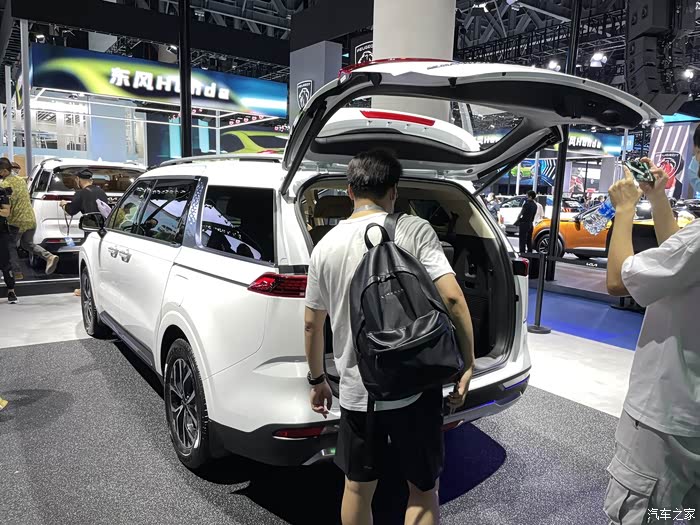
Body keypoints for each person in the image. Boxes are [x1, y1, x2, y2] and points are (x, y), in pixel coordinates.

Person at [303, 150, 475, 525]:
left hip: (359, 391)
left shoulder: (325, 247)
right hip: (416, 384)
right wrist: (467, 363)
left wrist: (317, 380)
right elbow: (452, 298)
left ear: (350, 191)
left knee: (357, 488)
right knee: (423, 489)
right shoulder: (415, 230)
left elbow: (313, 325)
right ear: (394, 191)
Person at [604, 144, 700, 523]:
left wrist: (624, 210)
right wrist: (658, 198)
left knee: (646, 513)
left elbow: (617, 280)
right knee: (683, 512)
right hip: (691, 422)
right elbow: (679, 257)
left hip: (664, 418)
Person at [0, 157, 59, 278]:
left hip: (17, 221)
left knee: (10, 246)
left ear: (4, 171)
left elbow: (6, 206)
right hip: (30, 219)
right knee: (27, 244)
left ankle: (16, 273)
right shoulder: (21, 180)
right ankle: (49, 256)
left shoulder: (4, 184)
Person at [61, 169, 109, 296]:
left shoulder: (81, 193)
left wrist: (63, 205)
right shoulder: (101, 191)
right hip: (103, 230)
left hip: (90, 230)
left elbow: (71, 210)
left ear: (78, 179)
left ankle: (85, 288)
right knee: (99, 261)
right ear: (91, 179)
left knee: (87, 260)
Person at [0, 182, 17, 304]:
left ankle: (11, 290)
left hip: (1, 232)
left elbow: (6, 212)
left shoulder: (1, 192)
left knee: (5, 262)